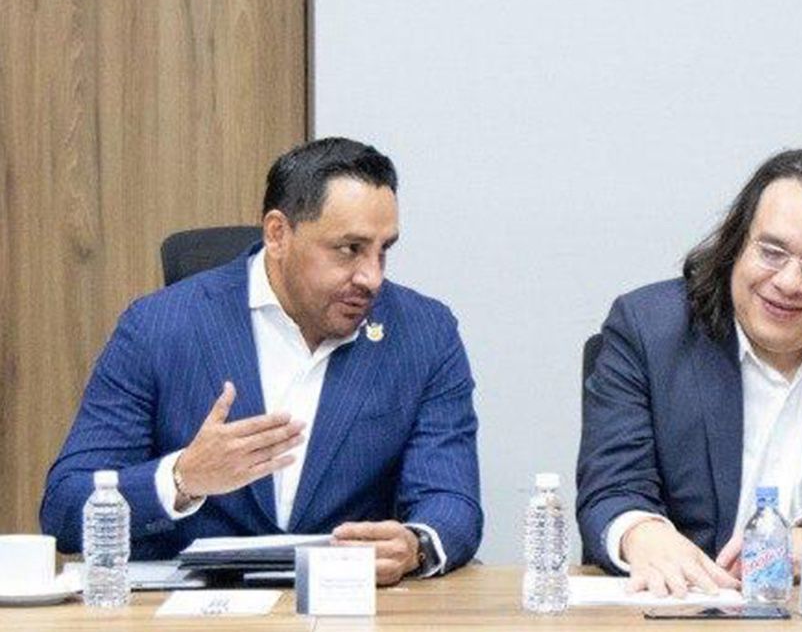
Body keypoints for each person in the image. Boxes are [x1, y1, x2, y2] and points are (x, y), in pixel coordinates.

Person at [40, 137, 482, 584]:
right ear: (277, 234)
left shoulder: (424, 333)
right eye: (350, 249)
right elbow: (65, 507)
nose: (372, 277)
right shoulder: (157, 327)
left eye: (383, 250)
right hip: (192, 614)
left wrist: (415, 545)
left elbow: (452, 501)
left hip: (351, 605)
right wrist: (182, 478)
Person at [577, 148, 802, 596]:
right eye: (771, 252)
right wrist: (642, 534)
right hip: (677, 613)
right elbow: (610, 489)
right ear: (735, 245)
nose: (789, 282)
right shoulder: (648, 330)